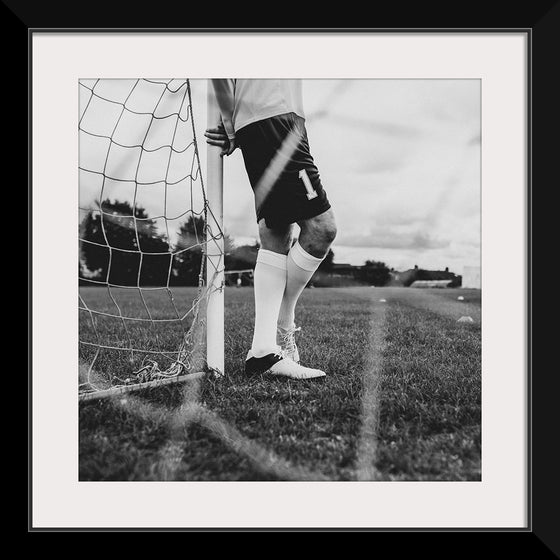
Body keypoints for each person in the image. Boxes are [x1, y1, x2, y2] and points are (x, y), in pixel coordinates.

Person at [205, 79, 337, 380]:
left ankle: (264, 350)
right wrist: (229, 121)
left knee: (277, 231)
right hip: (269, 116)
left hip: (284, 117)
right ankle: (278, 330)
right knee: (321, 229)